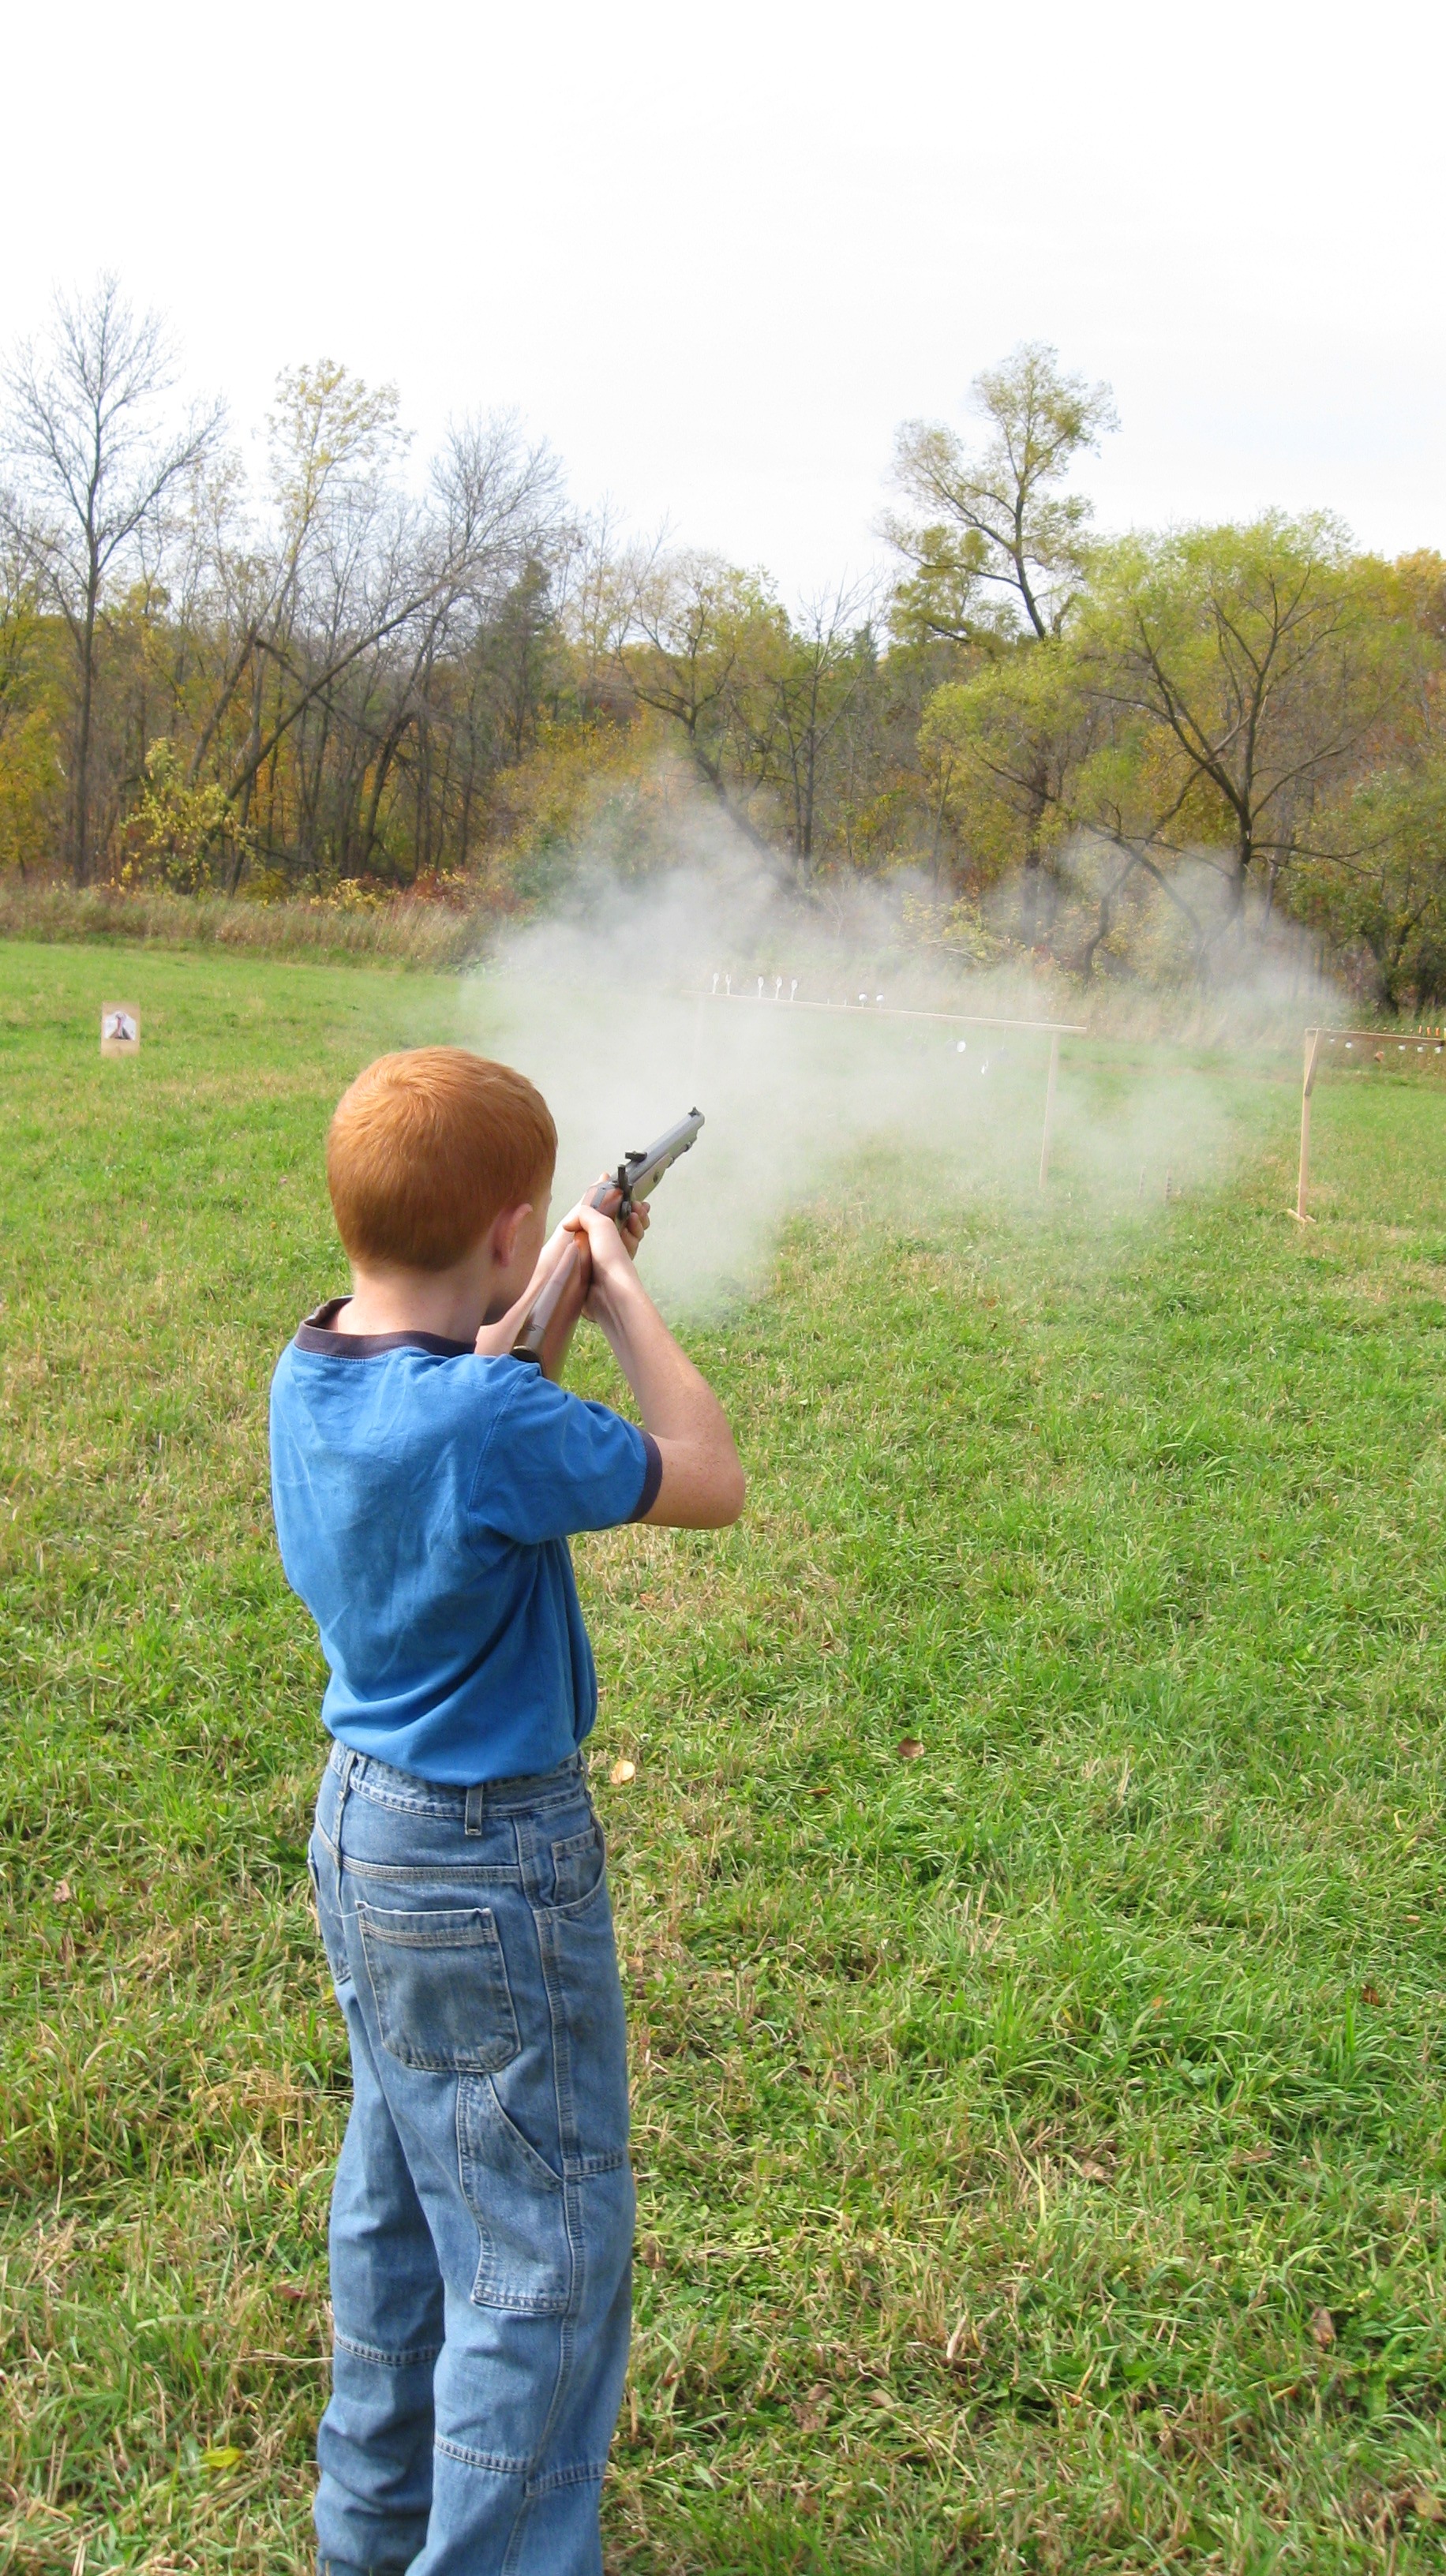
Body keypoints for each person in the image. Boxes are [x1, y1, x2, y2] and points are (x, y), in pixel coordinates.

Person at [269, 1047, 744, 2576]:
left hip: (365, 1835)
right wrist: (616, 1291)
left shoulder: (311, 1368)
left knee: (404, 2208)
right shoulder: (486, 1423)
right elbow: (708, 1472)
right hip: (492, 1863)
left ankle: (369, 2539)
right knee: (545, 2258)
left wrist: (540, 1293)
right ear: (507, 1229)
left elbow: (460, 1410)